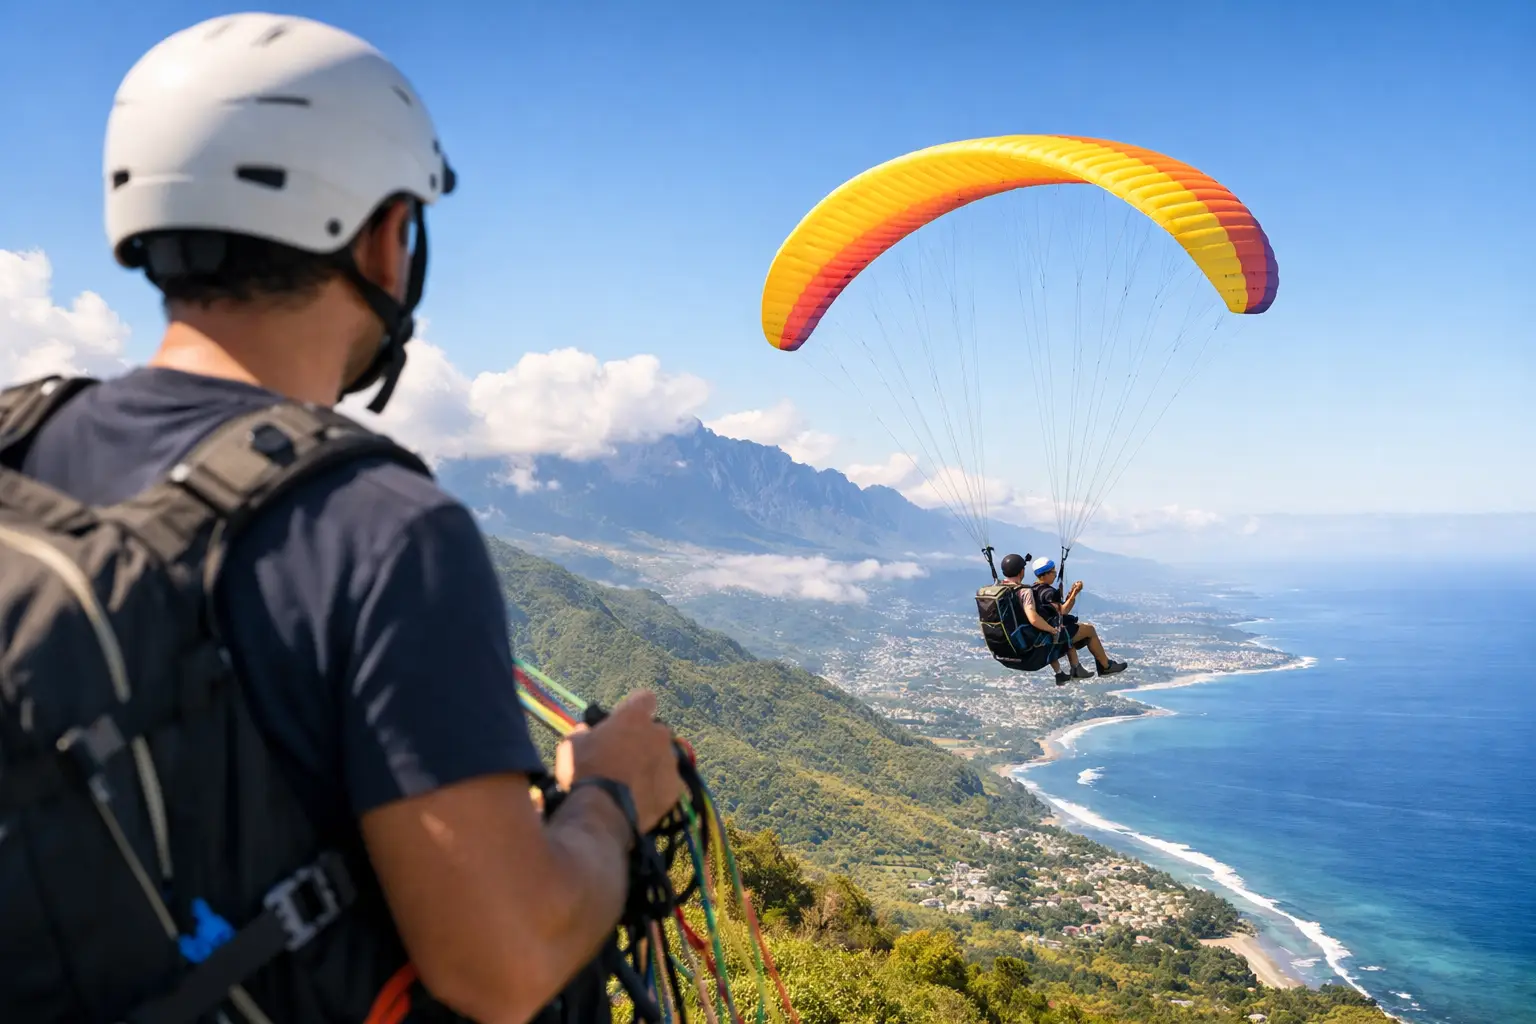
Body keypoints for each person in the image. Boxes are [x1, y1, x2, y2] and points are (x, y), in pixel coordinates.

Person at [1, 13, 681, 1024]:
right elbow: (505, 964)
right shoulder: (383, 528)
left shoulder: (16, 444)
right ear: (381, 238)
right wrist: (610, 798)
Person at [1000, 554, 1127, 681]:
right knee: (1089, 630)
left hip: (1039, 631)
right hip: (1050, 632)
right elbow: (1063, 611)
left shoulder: (1032, 589)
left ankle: (1076, 668)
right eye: (1053, 572)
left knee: (1071, 629)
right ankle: (1105, 666)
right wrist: (1074, 593)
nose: (1055, 575)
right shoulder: (1049, 592)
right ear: (1045, 574)